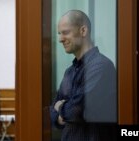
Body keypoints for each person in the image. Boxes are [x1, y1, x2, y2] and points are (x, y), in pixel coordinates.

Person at [50, 10, 117, 141]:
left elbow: (77, 110)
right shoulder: (69, 72)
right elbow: (52, 111)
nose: (60, 39)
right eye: (59, 33)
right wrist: (59, 111)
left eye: (65, 32)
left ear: (83, 31)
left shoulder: (101, 66)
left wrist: (61, 107)